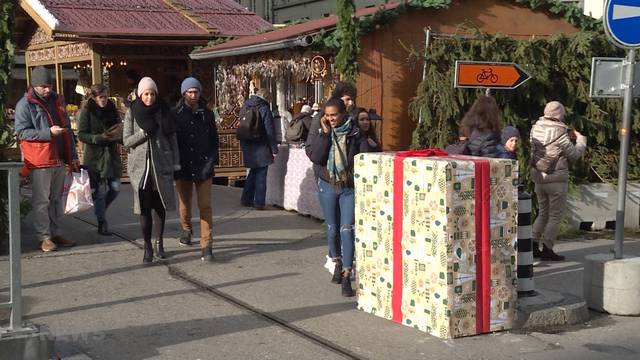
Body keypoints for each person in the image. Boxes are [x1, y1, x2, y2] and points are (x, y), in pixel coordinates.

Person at [307, 98, 374, 297]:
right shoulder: (323, 131)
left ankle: (347, 274)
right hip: (327, 185)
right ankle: (336, 261)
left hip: (348, 188)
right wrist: (326, 136)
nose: (330, 119)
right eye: (327, 115)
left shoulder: (355, 133)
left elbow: (364, 158)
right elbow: (316, 157)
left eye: (334, 115)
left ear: (344, 114)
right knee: (332, 229)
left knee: (347, 229)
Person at [15, 66, 79, 252]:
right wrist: (47, 133)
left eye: (49, 85)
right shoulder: (25, 104)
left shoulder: (57, 100)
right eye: (43, 86)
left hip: (59, 157)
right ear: (34, 85)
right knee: (42, 200)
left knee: (56, 199)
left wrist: (72, 156)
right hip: (40, 159)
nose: (47, 89)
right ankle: (43, 237)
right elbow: (21, 132)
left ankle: (55, 232)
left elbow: (67, 129)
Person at [123, 77, 180, 264]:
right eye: (146, 94)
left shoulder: (164, 110)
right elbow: (127, 141)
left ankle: (159, 242)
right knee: (144, 208)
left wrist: (175, 163)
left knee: (159, 205)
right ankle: (147, 246)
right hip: (140, 169)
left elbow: (172, 139)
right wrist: (144, 133)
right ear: (140, 94)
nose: (149, 97)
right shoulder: (132, 111)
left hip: (161, 164)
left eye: (152, 94)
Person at [530, 101, 586, 261]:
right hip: (556, 177)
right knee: (555, 215)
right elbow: (574, 155)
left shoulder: (535, 128)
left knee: (542, 212)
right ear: (558, 114)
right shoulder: (561, 133)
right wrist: (581, 141)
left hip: (539, 177)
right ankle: (548, 248)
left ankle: (533, 245)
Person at [173, 77, 219, 262]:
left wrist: (212, 160)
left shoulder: (207, 114)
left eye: (196, 92)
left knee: (205, 205)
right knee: (185, 203)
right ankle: (186, 228)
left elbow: (214, 139)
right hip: (183, 165)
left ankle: (206, 244)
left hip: (203, 165)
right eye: (190, 92)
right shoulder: (176, 113)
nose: (193, 95)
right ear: (184, 93)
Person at [77, 84, 122, 236]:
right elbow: (81, 134)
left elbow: (118, 125)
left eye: (105, 97)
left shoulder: (111, 108)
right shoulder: (87, 111)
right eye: (101, 97)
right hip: (95, 157)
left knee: (115, 189)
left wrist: (118, 134)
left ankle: (100, 210)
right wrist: (97, 138)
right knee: (100, 193)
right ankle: (102, 222)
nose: (104, 100)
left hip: (110, 155)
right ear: (94, 98)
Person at [239, 88, 278, 210]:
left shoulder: (245, 105)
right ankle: (259, 202)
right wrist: (274, 149)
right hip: (261, 145)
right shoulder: (264, 108)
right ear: (267, 98)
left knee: (253, 171)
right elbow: (269, 130)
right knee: (261, 173)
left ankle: (246, 198)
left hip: (247, 144)